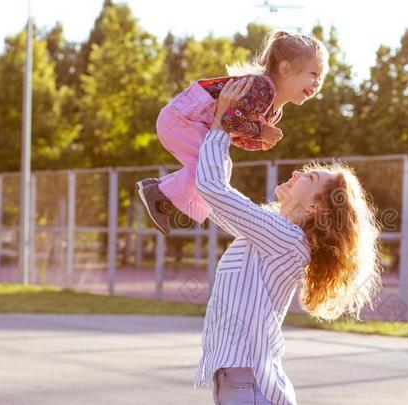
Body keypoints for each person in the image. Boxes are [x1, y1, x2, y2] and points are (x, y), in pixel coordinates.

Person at [192, 78, 382, 405]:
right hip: (238, 380)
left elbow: (213, 189)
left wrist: (222, 123)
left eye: (307, 178)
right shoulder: (273, 234)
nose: (295, 174)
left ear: (314, 207)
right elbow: (215, 200)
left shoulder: (286, 239)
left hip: (248, 384)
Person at [136, 30, 329, 236]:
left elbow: (235, 134)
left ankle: (164, 195)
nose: (317, 83)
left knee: (218, 166)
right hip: (182, 119)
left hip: (188, 121)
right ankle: (158, 194)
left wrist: (259, 141)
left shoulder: (273, 108)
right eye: (313, 74)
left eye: (321, 77)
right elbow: (229, 121)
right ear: (285, 69)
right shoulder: (262, 89)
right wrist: (260, 131)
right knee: (210, 168)